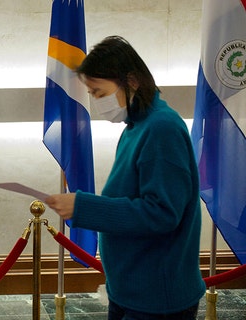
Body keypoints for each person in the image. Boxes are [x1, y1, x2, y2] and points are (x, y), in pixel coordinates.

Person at [45, 36, 205, 319]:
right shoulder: (137, 126)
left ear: (130, 81)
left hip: (157, 299)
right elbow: (132, 198)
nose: (96, 102)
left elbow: (162, 213)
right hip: (131, 290)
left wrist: (84, 207)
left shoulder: (161, 129)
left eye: (98, 92)